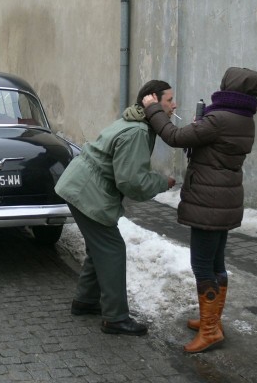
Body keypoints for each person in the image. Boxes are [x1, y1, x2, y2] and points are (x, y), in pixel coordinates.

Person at [142, 67, 257, 353]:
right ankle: (213, 321)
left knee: (202, 265)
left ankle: (210, 331)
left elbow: (174, 136)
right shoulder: (243, 117)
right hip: (225, 198)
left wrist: (153, 110)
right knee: (216, 262)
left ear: (230, 86)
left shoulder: (220, 118)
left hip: (209, 201)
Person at [55, 81, 176, 336]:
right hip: (88, 192)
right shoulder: (137, 133)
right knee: (112, 250)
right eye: (169, 100)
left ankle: (86, 302)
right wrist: (161, 182)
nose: (174, 105)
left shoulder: (133, 121)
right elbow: (131, 182)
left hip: (80, 186)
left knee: (100, 248)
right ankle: (115, 318)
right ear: (152, 100)